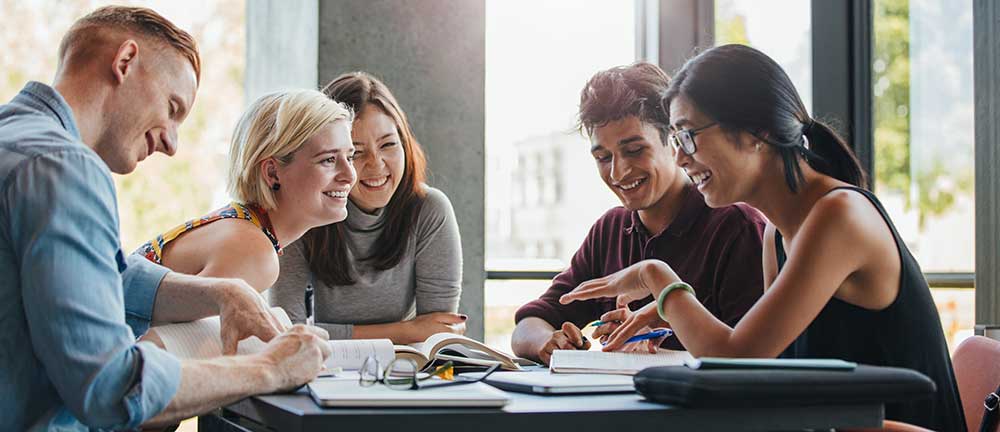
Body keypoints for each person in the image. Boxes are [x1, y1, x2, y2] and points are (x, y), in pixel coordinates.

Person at [560, 45, 964, 430]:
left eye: (688, 136)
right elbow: (762, 372)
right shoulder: (778, 234)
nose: (681, 158)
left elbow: (734, 359)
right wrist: (669, 313)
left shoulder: (838, 216)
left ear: (755, 131)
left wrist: (658, 279)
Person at [0, 7, 331, 430]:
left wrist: (222, 293)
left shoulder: (16, 142)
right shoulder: (64, 167)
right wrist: (270, 368)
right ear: (125, 62)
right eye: (173, 108)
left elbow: (98, 277)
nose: (171, 144)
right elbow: (112, 388)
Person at [510, 62, 767, 365]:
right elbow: (529, 324)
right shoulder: (610, 230)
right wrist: (547, 342)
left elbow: (750, 358)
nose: (618, 172)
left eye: (634, 151)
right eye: (603, 158)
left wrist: (662, 332)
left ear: (674, 141)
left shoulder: (737, 227)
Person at [269, 72, 465, 344]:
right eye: (356, 153)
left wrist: (416, 333)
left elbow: (437, 332)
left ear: (405, 143)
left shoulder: (429, 210)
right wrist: (406, 331)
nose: (376, 164)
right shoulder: (301, 212)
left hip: (403, 371)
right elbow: (288, 332)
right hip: (319, 371)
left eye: (388, 145)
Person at [134, 89, 356, 299]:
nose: (350, 175)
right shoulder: (253, 252)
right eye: (328, 160)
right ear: (272, 172)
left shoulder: (244, 227)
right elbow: (162, 338)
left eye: (350, 157)